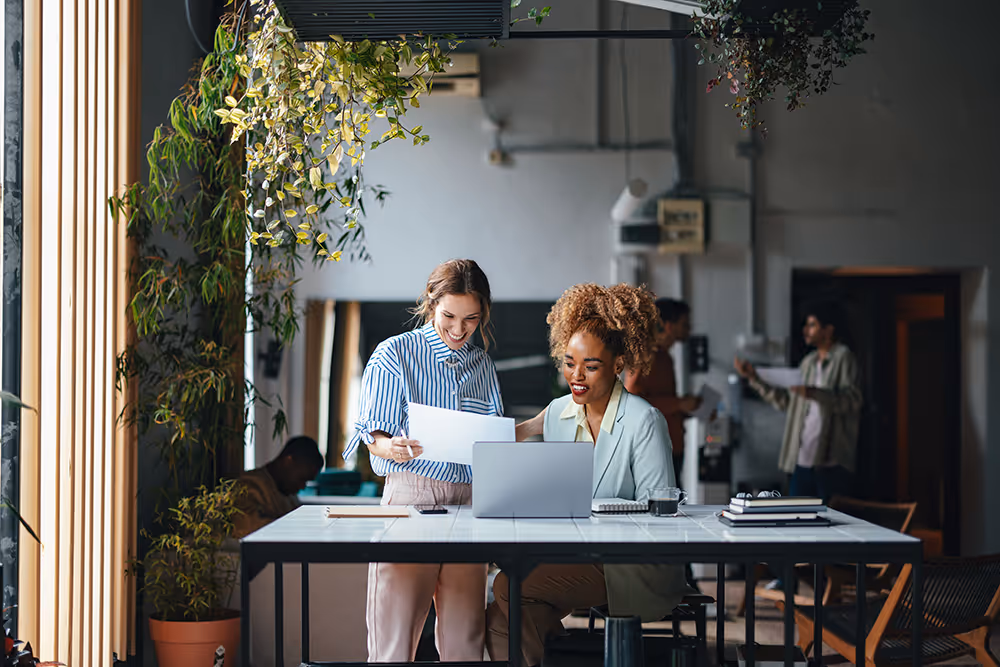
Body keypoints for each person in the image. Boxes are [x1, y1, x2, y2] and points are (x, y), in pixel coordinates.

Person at [485, 283, 693, 667]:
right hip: (576, 552)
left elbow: (662, 515)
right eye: (568, 362)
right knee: (498, 622)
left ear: (618, 365)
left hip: (630, 562)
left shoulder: (644, 421)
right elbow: (525, 446)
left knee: (508, 589)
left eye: (591, 366)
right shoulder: (559, 412)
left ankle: (563, 656)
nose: (576, 376)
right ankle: (565, 656)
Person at [345, 259, 538, 663]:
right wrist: (390, 446)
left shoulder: (481, 364)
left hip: (467, 507)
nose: (458, 328)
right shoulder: (393, 355)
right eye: (449, 315)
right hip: (410, 500)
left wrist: (534, 427)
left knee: (465, 644)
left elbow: (491, 441)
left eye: (471, 318)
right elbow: (372, 439)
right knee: (392, 646)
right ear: (431, 303)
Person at [733, 300, 863, 502]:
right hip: (802, 458)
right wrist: (754, 378)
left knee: (833, 523)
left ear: (828, 330)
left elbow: (852, 400)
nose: (806, 330)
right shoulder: (808, 363)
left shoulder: (843, 358)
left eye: (812, 325)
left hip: (830, 461)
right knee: (798, 521)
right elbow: (787, 403)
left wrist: (814, 393)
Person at [624, 297, 701, 480]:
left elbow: (662, 405)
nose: (689, 329)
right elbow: (632, 400)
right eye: (684, 323)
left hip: (670, 445)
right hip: (654, 449)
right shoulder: (646, 356)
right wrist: (679, 404)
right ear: (668, 326)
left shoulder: (664, 357)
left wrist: (690, 408)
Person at [232, 435, 324, 539]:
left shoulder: (289, 495)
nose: (302, 487)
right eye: (302, 479)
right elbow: (245, 529)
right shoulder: (248, 486)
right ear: (288, 462)